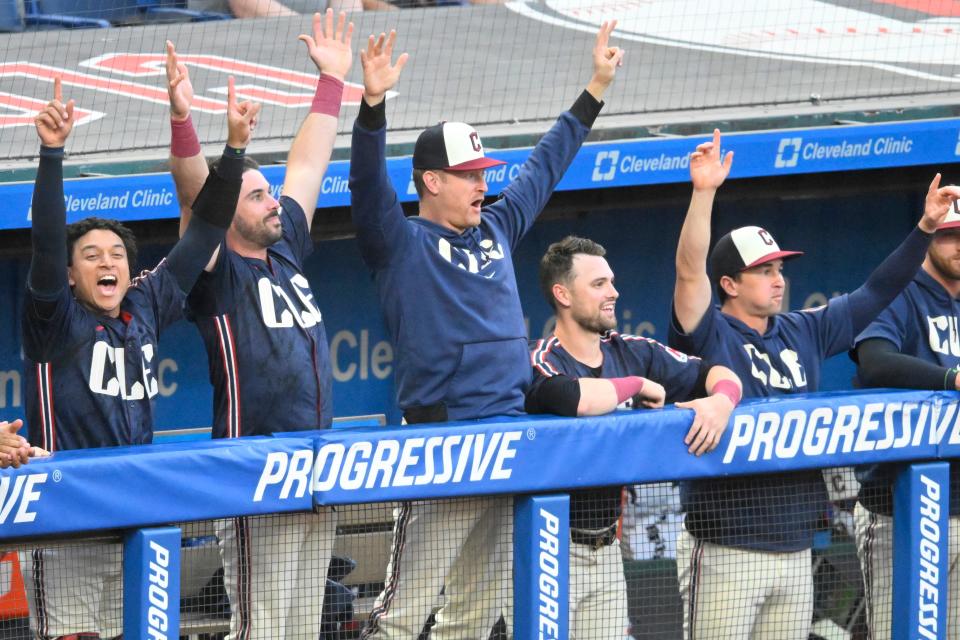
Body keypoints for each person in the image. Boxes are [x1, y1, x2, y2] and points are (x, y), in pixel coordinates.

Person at [349, 19, 623, 639]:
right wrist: (371, 109)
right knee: (398, 619)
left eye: (483, 171)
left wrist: (594, 89)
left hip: (509, 442)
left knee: (474, 617)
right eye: (469, 173)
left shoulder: (495, 229)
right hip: (445, 446)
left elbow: (543, 168)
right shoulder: (401, 243)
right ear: (431, 182)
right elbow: (366, 188)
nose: (483, 182)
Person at [668, 129, 960, 640]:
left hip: (798, 545)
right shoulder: (710, 332)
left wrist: (924, 227)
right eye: (763, 271)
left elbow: (877, 291)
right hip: (726, 545)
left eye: (780, 268)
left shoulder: (803, 328)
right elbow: (690, 272)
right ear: (730, 285)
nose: (778, 279)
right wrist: (704, 194)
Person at [21, 75, 247, 640]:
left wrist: (235, 151)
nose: (108, 262)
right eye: (91, 255)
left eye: (117, 254)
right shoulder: (54, 320)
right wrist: (52, 154)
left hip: (135, 512)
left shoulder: (145, 304)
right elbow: (47, 244)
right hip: (64, 517)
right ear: (71, 276)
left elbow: (204, 237)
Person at [165, 10, 351, 639]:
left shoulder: (286, 247)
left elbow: (308, 165)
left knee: (303, 628)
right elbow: (195, 195)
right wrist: (189, 125)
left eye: (269, 193)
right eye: (255, 195)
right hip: (255, 473)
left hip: (318, 468)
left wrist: (332, 84)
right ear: (229, 210)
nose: (274, 200)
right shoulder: (215, 270)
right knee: (264, 630)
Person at [525, 235, 743, 639]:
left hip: (607, 551)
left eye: (611, 281)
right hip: (544, 550)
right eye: (598, 284)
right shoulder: (542, 357)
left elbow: (716, 373)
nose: (614, 292)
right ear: (563, 294)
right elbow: (571, 396)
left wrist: (723, 403)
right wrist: (637, 384)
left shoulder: (631, 349)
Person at [852, 207, 960, 639]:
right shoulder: (900, 292)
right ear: (930, 238)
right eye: (951, 235)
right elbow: (875, 362)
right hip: (905, 507)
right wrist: (951, 378)